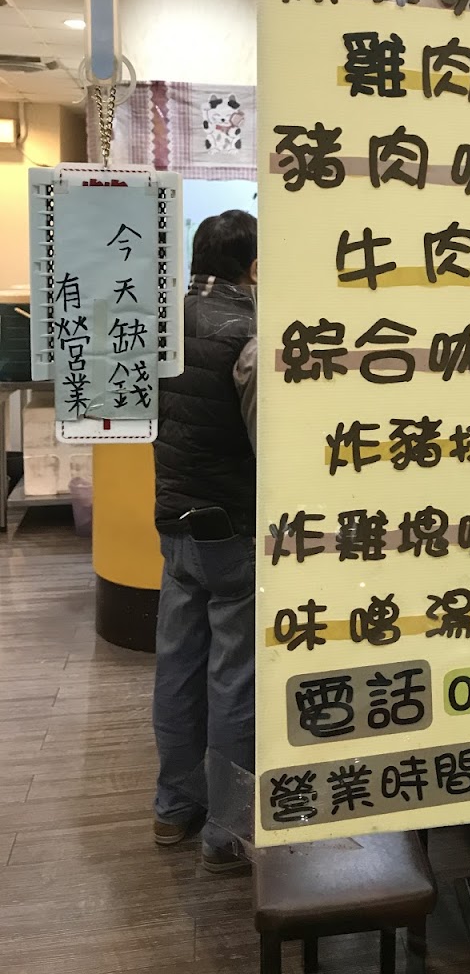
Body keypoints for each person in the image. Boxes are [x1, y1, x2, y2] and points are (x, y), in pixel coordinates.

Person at [151, 209, 258, 874]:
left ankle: (172, 807)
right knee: (233, 676)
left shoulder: (158, 323)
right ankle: (226, 830)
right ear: (254, 267)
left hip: (173, 523)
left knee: (177, 664)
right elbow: (264, 444)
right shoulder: (249, 337)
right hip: (232, 529)